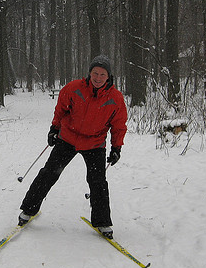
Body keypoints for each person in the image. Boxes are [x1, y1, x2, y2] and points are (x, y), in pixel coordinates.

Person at [18, 55, 128, 239]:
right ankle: (28, 210)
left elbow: (119, 125)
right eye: (95, 73)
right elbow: (60, 109)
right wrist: (54, 129)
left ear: (108, 76)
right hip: (68, 139)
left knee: (98, 182)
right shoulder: (74, 88)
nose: (98, 78)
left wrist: (116, 148)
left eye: (102, 74)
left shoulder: (115, 98)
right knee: (49, 173)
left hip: (94, 144)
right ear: (90, 73)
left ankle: (102, 222)